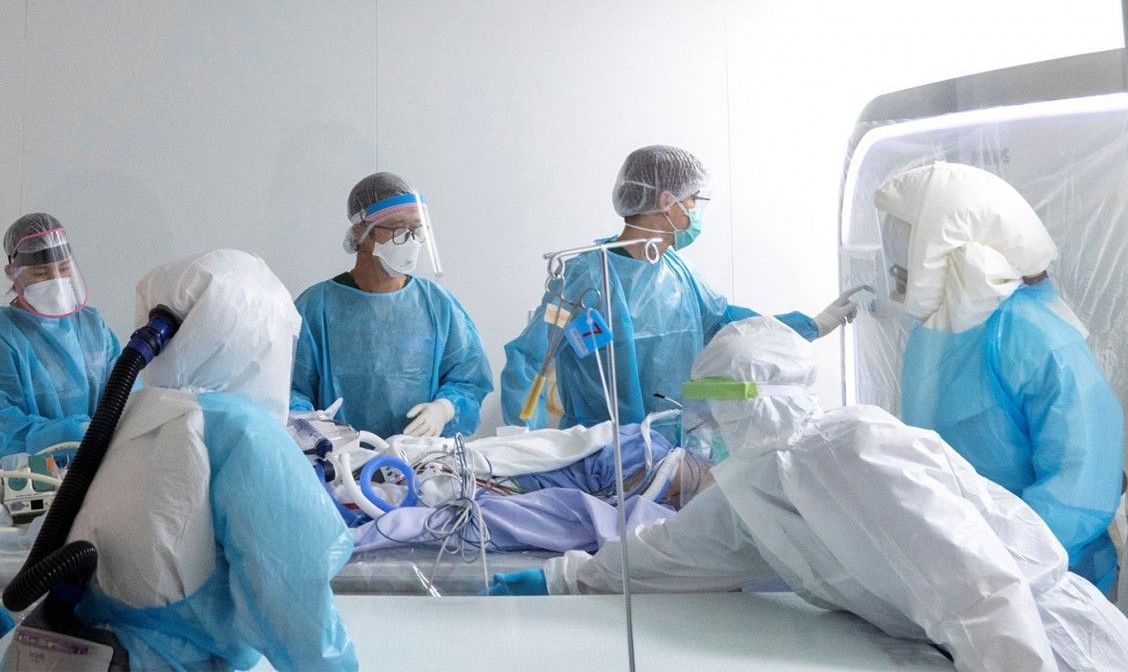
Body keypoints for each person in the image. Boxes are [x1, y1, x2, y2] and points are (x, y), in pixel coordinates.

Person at [492, 317, 1128, 671]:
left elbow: (981, 593)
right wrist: (564, 579)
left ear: (753, 401)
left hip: (1048, 648)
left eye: (712, 404)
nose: (701, 425)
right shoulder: (761, 481)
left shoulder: (851, 451)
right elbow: (676, 551)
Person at [66, 250, 356, 670]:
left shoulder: (132, 410)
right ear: (260, 335)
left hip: (89, 653)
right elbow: (293, 602)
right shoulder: (244, 434)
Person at [875, 162, 1124, 594]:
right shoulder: (934, 336)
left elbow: (1082, 486)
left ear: (941, 255)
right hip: (965, 569)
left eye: (904, 271)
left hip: (1053, 579)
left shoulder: (1037, 339)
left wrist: (1001, 563)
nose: (900, 285)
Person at [502, 145, 860, 430]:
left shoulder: (678, 272)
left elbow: (730, 325)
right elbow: (531, 357)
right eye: (692, 200)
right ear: (666, 202)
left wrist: (812, 325)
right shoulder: (585, 277)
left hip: (677, 451)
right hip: (600, 461)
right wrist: (526, 448)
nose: (695, 211)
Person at [291, 172, 493, 438]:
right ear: (361, 231)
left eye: (417, 229)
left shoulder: (437, 305)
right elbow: (289, 390)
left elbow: (468, 378)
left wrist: (445, 408)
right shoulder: (316, 307)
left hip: (420, 456)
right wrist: (313, 430)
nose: (410, 240)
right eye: (398, 229)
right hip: (339, 459)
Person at [0, 213, 120, 459]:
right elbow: (5, 430)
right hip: (35, 473)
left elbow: (126, 390)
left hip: (107, 464)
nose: (56, 280)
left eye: (63, 269)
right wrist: (75, 434)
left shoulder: (92, 325)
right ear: (12, 272)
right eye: (41, 274)